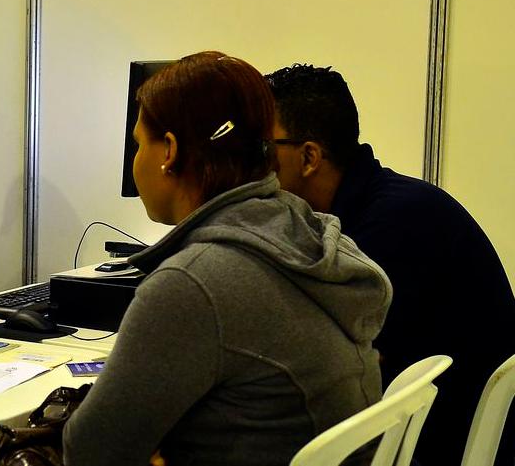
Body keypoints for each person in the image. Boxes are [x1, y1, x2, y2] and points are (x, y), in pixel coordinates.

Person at [62, 52, 392, 466]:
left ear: (169, 151)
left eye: (138, 144)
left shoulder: (192, 283)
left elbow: (92, 451)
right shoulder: (307, 235)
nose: (135, 160)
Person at [266, 63, 515, 466]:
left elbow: (338, 373)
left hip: (441, 440)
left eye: (263, 149)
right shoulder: (379, 207)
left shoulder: (388, 227)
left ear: (309, 157)